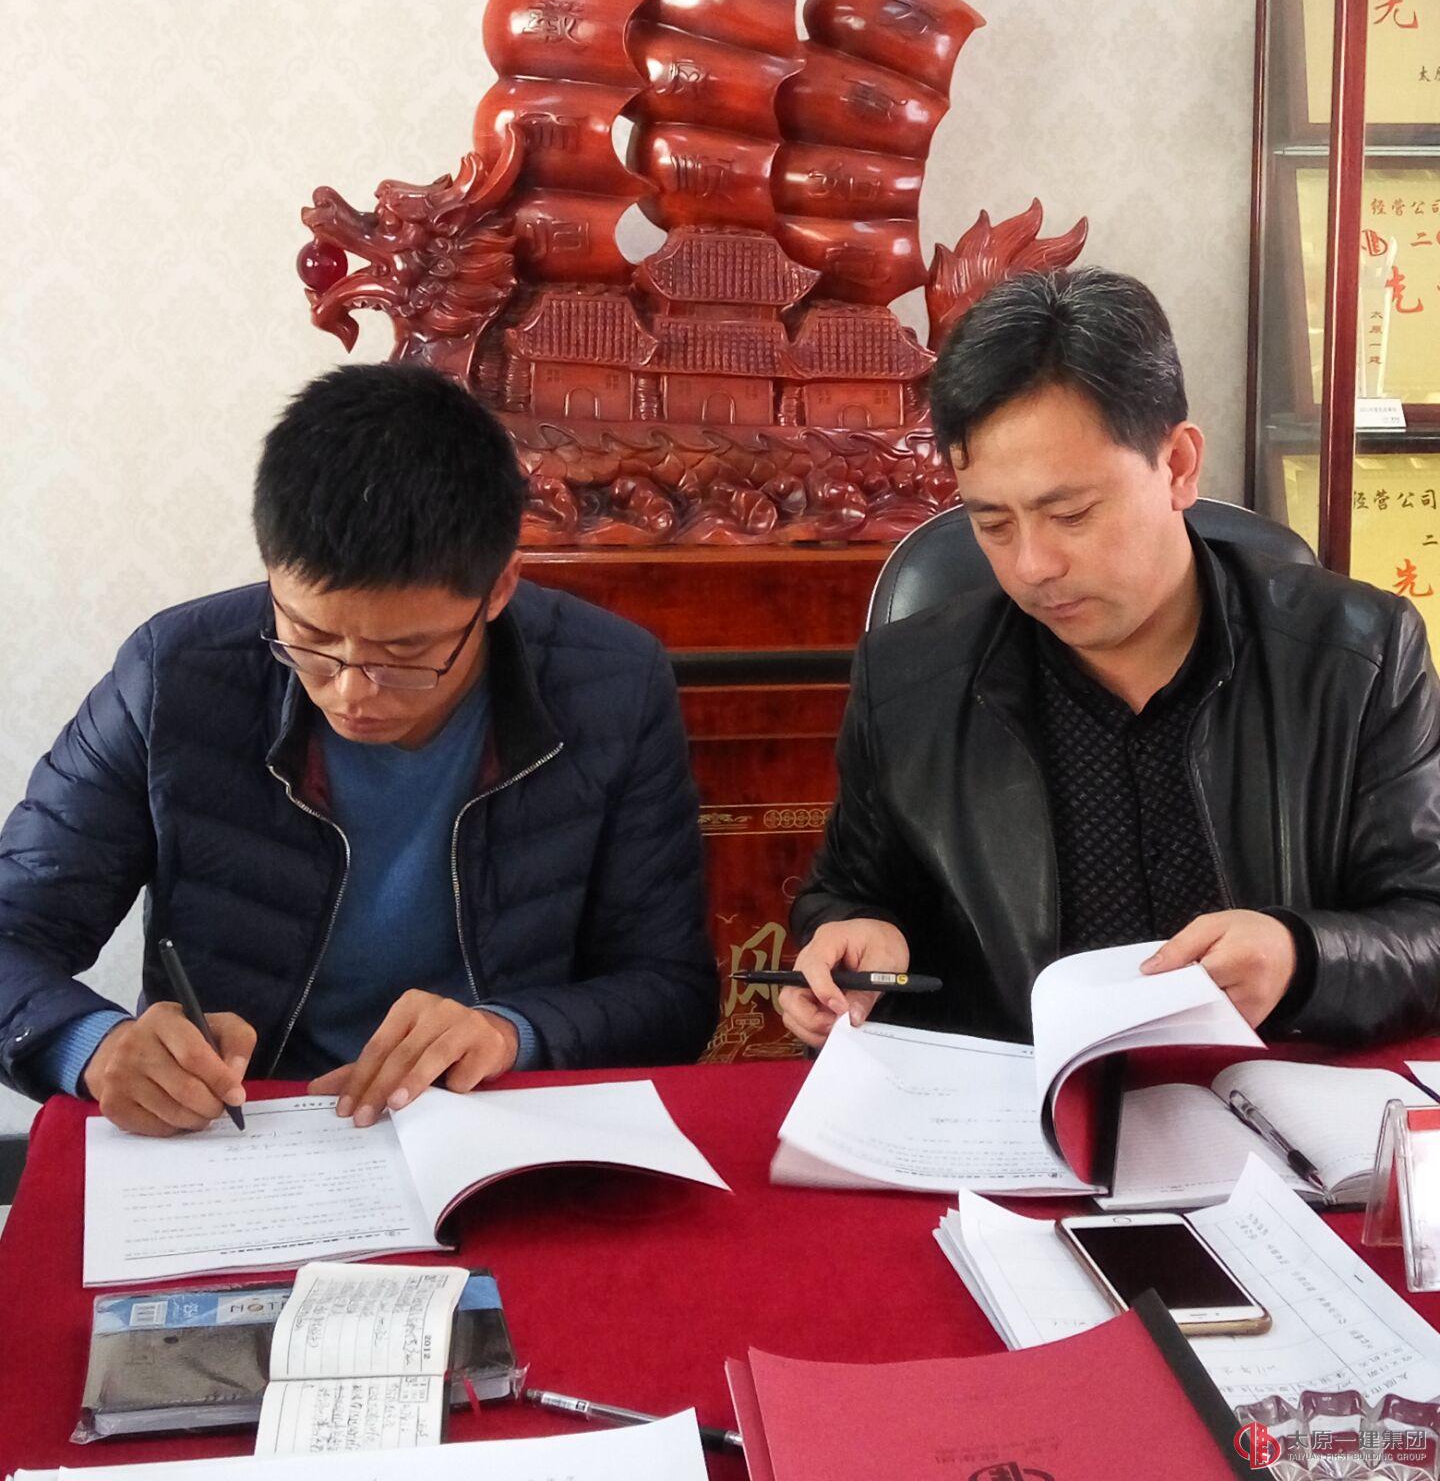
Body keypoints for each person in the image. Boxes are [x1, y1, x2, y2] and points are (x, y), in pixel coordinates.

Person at [0, 363, 717, 1135]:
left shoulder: (612, 685)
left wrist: (511, 1033)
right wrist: (94, 1047)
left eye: (405, 655)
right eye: (308, 638)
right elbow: (12, 931)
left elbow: (669, 991)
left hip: (489, 1125)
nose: (350, 692)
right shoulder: (175, 676)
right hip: (248, 1127)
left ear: (500, 588)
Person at [781, 267, 1440, 1052]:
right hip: (1014, 1107)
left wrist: (1303, 957)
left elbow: (1427, 923)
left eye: (1071, 514)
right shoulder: (908, 684)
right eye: (992, 524)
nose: (1033, 566)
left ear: (1178, 466)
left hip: (1270, 1100)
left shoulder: (1359, 658)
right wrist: (854, 939)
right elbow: (847, 893)